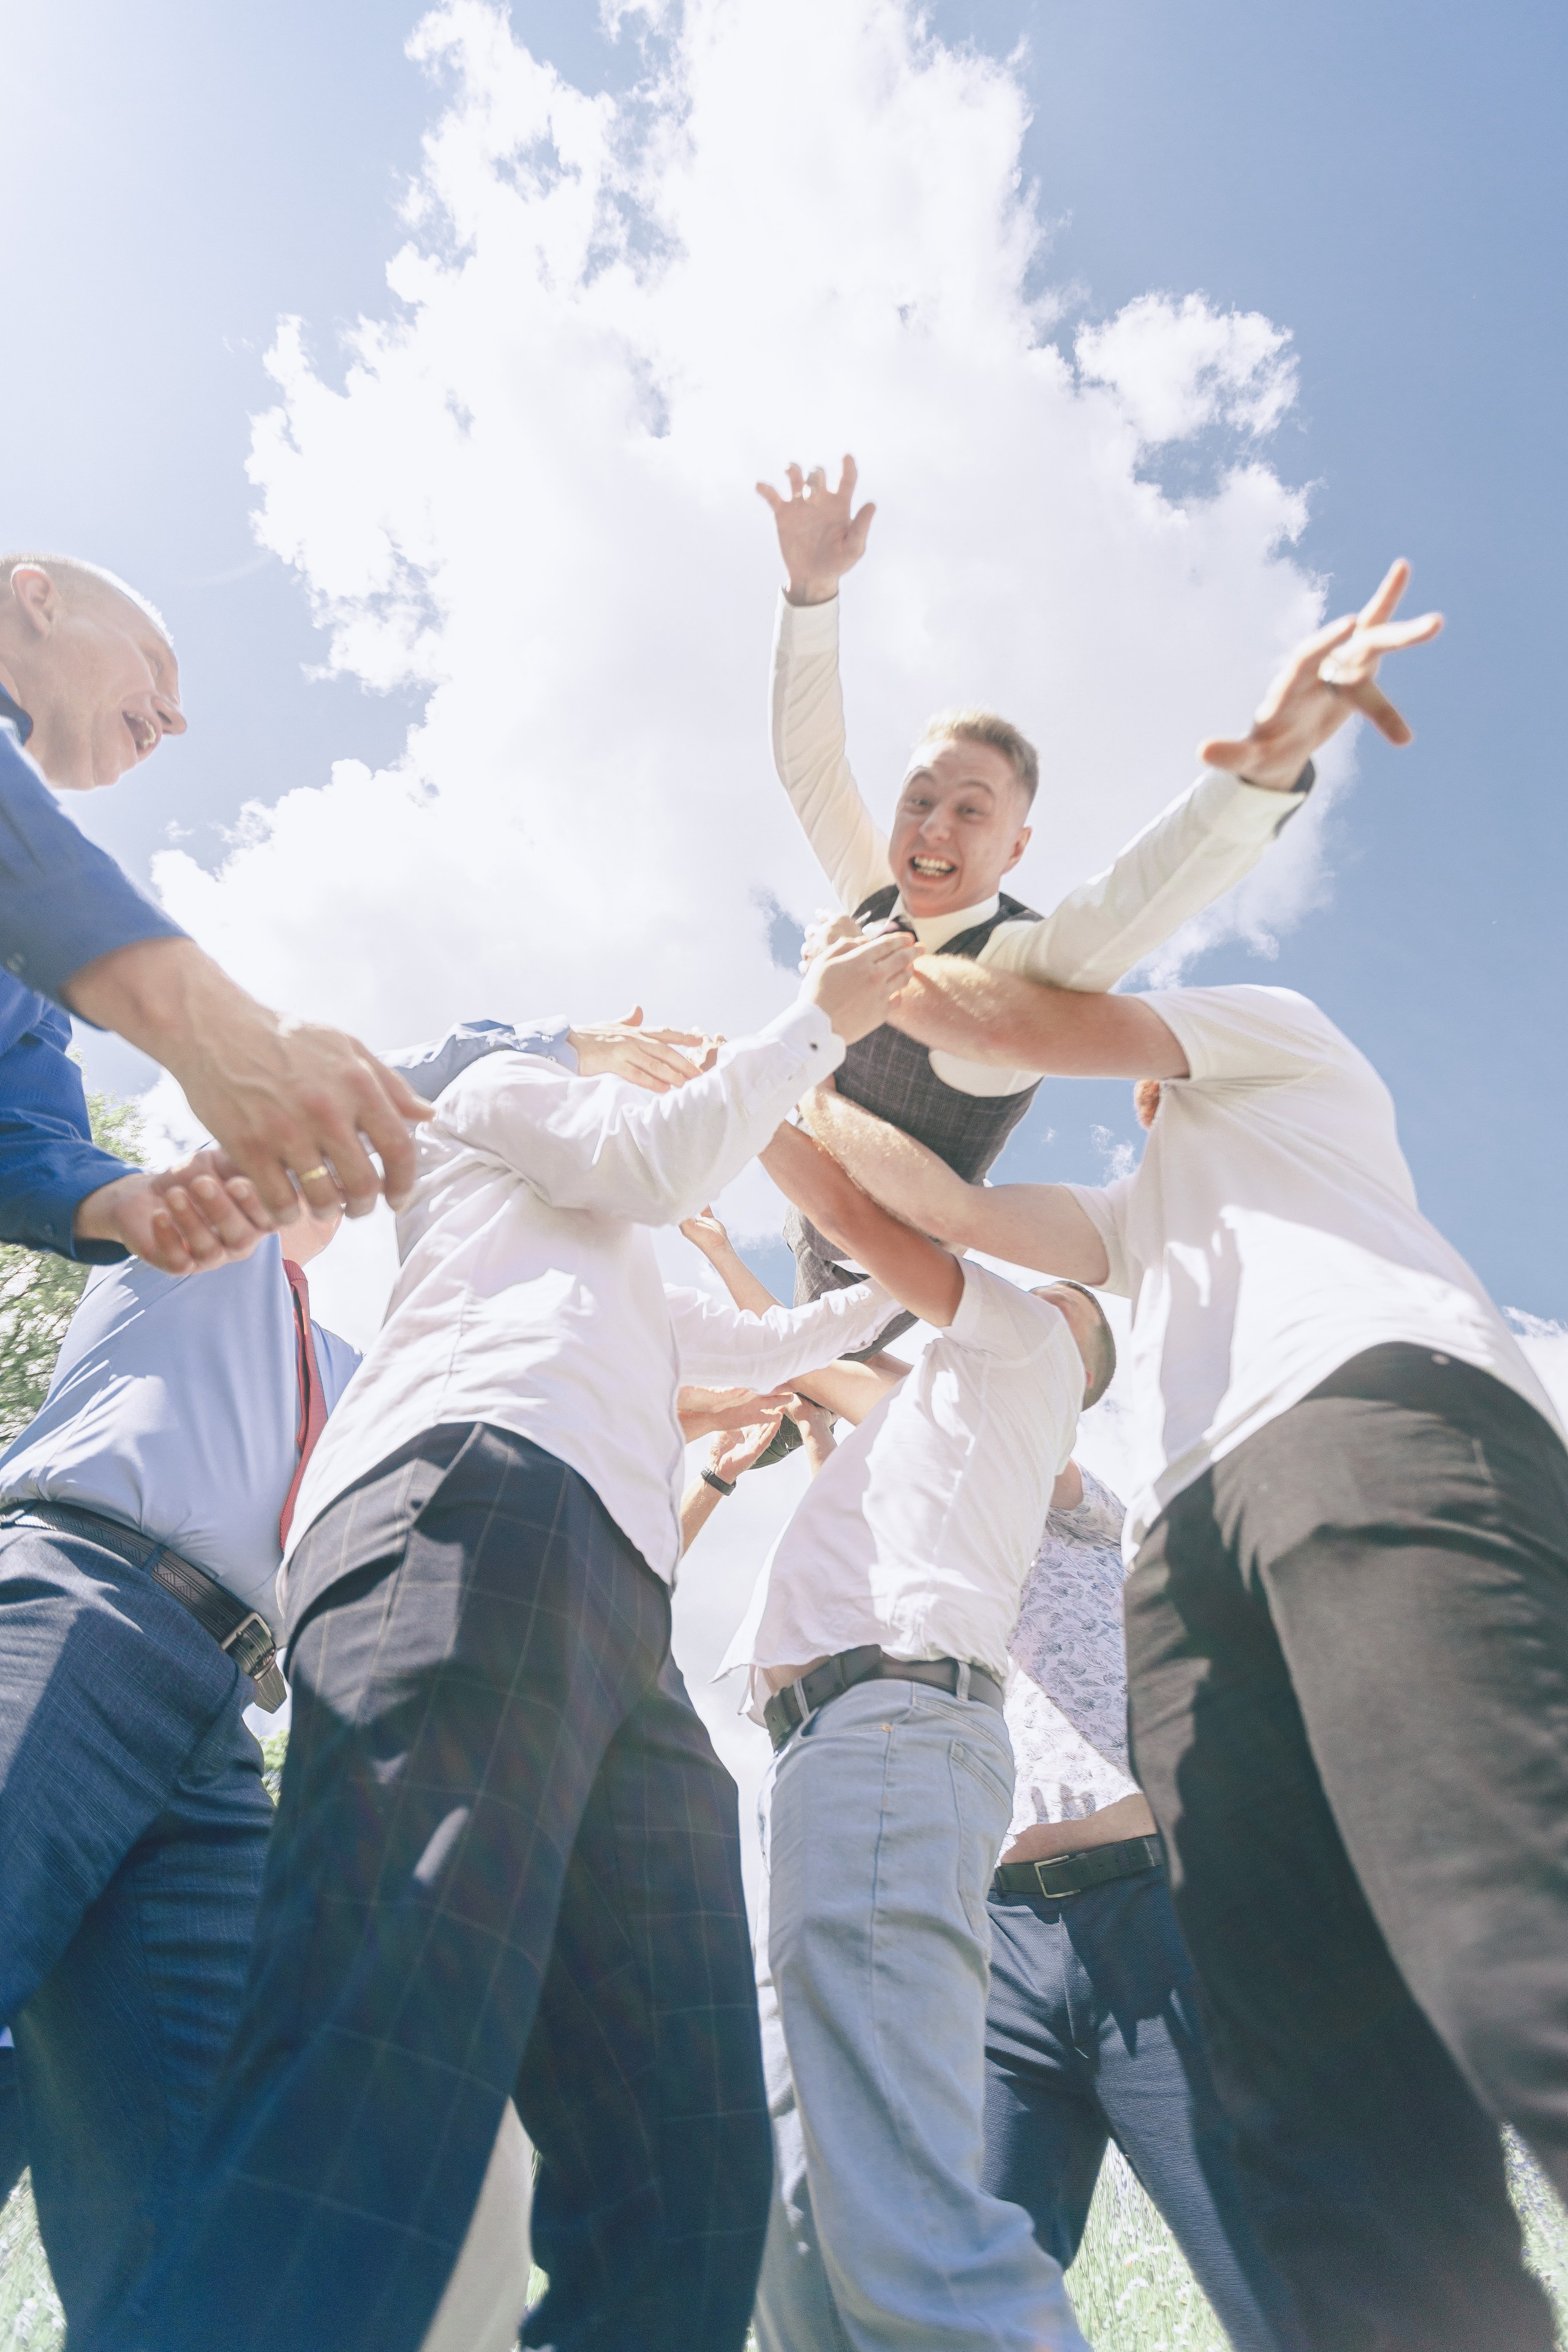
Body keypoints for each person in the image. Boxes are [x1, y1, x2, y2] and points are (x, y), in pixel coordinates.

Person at [104, 929, 918, 2352]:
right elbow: (665, 1154)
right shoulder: (499, 1091)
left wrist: (932, 1272)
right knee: (384, 2045)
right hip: (460, 1501)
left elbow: (765, 1340)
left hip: (619, 1610)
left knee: (688, 2170)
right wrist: (815, 1024)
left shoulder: (618, 1263)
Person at [801, 966, 1568, 2351]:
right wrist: (777, 1088)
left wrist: (868, 966)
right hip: (1161, 1621)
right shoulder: (1127, 1233)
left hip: (1358, 1417)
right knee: (1319, 2134)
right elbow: (940, 1211)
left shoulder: (1280, 1046)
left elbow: (1014, 1022)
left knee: (1503, 1944)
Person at [754, 456, 1358, 1329]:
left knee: (820, 1371)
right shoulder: (873, 898)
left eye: (971, 811)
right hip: (804, 1207)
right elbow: (809, 766)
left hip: (888, 1282)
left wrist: (1262, 774)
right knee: (787, 1305)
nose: (933, 827)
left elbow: (1136, 899)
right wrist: (810, 594)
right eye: (918, 800)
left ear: (1017, 848)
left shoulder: (1024, 962)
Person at [716, 1116, 1114, 2352]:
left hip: (890, 1730)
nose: (1029, 1291)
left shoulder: (1022, 1351)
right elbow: (805, 1360)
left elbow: (858, 1226)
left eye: (1060, 1295)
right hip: (826, 1753)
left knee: (895, 2198)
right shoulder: (930, 1408)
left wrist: (760, 1094)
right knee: (790, 2196)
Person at [0, 552, 430, 1244]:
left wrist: (118, 1199)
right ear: (40, 602)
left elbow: (16, 1131)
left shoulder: (37, 965)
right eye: (153, 663)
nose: (174, 719)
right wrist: (220, 1030)